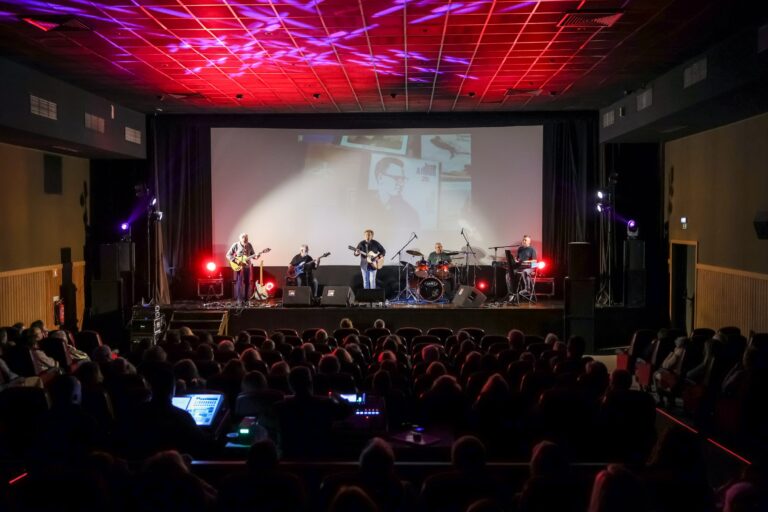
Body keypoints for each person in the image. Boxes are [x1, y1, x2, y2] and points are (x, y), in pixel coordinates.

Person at [373, 156, 420, 227]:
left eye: (402, 179)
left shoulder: (410, 214)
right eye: (396, 178)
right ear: (380, 178)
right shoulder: (364, 203)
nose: (401, 184)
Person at [506, 235, 538, 301]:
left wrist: (526, 261)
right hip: (520, 267)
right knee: (508, 275)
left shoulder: (532, 249)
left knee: (525, 272)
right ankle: (511, 292)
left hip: (529, 267)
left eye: (525, 240)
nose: (523, 241)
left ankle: (527, 289)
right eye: (523, 240)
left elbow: (535, 261)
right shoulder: (520, 249)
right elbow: (518, 259)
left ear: (529, 242)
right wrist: (515, 260)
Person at [226, 232, 255, 305]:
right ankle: (239, 299)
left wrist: (256, 256)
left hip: (247, 266)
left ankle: (246, 299)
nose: (245, 241)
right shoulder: (235, 245)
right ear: (240, 239)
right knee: (239, 283)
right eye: (244, 239)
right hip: (239, 266)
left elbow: (253, 255)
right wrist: (235, 260)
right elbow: (228, 255)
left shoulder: (249, 245)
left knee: (247, 282)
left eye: (246, 239)